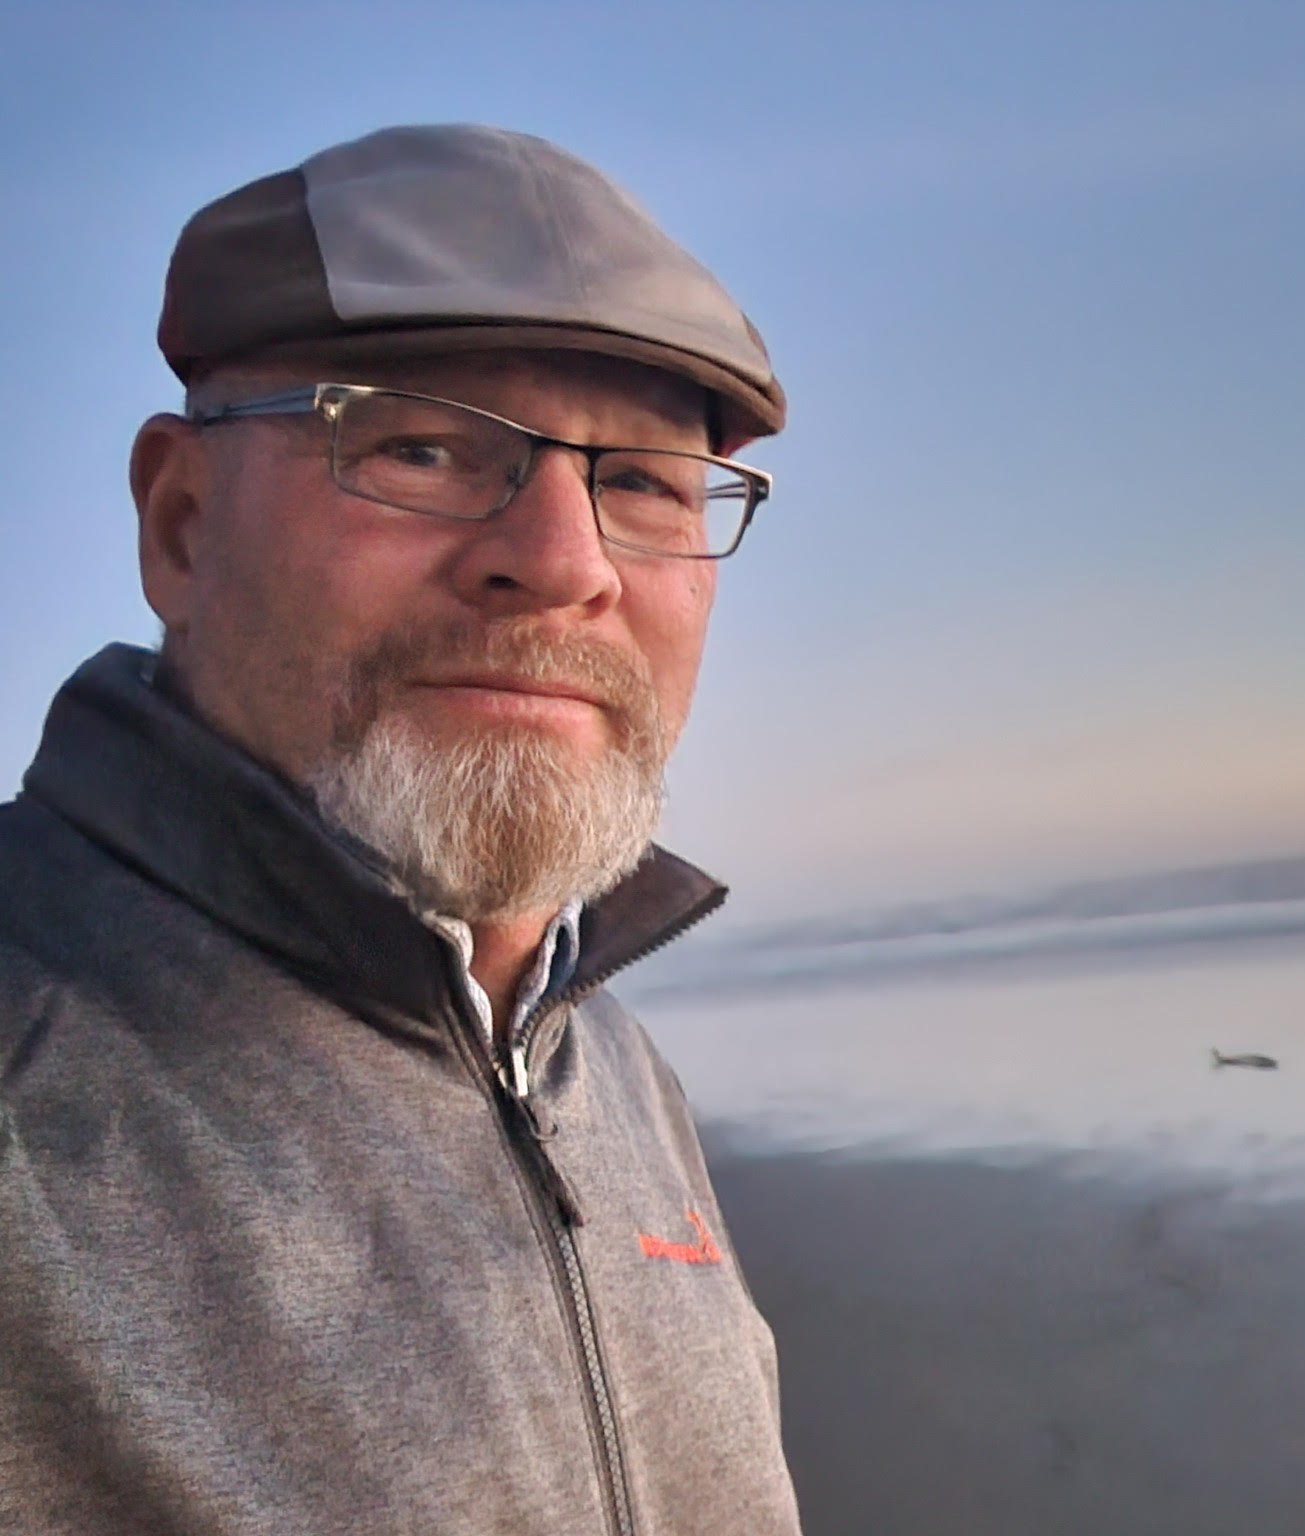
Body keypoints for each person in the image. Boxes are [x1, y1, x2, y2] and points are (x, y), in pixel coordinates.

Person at [0, 124, 803, 1534]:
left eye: (642, 486)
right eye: (420, 446)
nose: (561, 565)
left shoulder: (603, 1055)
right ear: (183, 523)